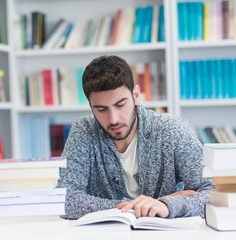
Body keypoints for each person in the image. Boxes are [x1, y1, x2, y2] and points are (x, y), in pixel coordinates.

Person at [57, 55, 214, 220]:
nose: (113, 119)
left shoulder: (171, 130)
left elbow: (213, 192)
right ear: (90, 106)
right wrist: (139, 206)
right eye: (101, 109)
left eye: (120, 104)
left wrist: (168, 205)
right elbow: (64, 199)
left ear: (136, 95)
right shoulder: (84, 131)